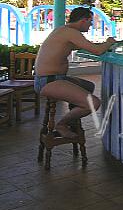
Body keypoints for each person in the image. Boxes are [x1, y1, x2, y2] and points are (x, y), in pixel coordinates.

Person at [34, 7, 116, 138]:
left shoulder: (63, 31)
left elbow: (87, 46)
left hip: (53, 78)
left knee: (89, 86)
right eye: (90, 22)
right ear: (84, 20)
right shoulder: (71, 32)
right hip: (48, 81)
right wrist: (109, 42)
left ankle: (74, 116)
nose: (91, 25)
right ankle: (61, 124)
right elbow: (97, 51)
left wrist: (101, 45)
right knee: (94, 103)